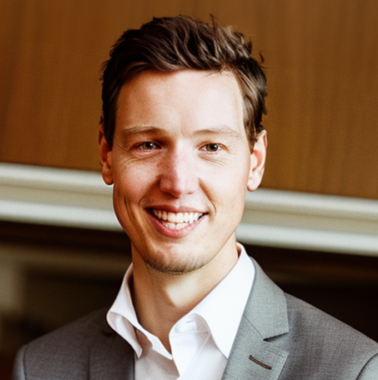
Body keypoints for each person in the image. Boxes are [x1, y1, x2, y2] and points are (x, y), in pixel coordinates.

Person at [12, 15, 378, 380]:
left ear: (255, 162)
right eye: (149, 145)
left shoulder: (353, 370)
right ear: (108, 154)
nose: (178, 183)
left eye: (211, 147)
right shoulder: (40, 368)